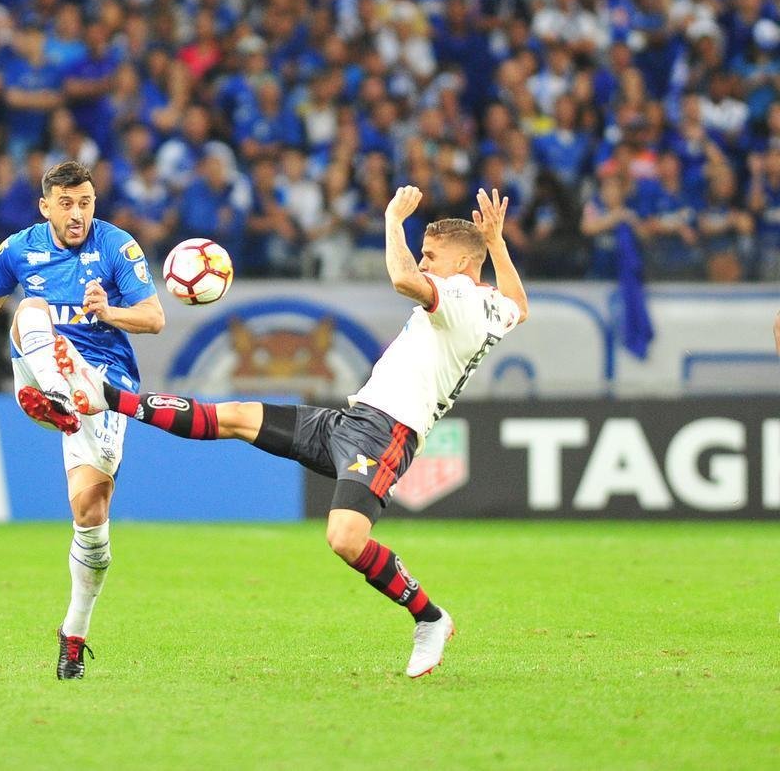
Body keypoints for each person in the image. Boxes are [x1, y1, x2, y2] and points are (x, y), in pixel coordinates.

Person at [56, 186, 529, 678]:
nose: (426, 262)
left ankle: (430, 617)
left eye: (434, 255)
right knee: (235, 417)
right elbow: (519, 303)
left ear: (462, 264)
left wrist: (392, 219)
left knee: (345, 538)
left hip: (386, 434)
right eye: (424, 253)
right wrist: (495, 242)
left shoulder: (457, 298)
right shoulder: (489, 306)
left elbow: (404, 279)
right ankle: (108, 397)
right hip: (353, 420)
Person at [0, 161, 165, 679]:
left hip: (104, 381)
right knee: (30, 309)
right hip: (44, 366)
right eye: (67, 204)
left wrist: (110, 312)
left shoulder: (119, 247)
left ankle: (74, 631)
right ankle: (55, 393)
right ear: (46, 206)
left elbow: (154, 318)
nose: (77, 214)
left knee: (90, 514)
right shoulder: (18, 250)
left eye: (86, 203)